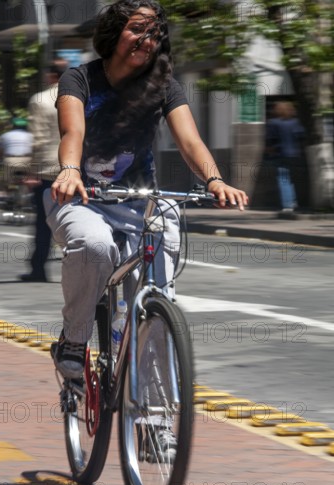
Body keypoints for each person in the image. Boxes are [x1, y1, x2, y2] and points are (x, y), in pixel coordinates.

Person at [44, 0, 248, 380]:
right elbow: (73, 131)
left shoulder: (164, 86)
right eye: (137, 29)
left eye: (154, 33)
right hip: (81, 197)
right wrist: (70, 170)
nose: (147, 39)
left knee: (155, 300)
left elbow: (190, 141)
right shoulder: (80, 79)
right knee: (95, 246)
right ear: (113, 34)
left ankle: (155, 417)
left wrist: (214, 180)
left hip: (139, 203)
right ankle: (74, 339)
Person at [20, 58, 68, 283]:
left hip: (48, 171)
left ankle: (38, 268)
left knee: (43, 222)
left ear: (51, 77)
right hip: (75, 170)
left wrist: (31, 171)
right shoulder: (79, 98)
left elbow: (37, 140)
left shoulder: (40, 100)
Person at [266, 101, 307, 210]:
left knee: (283, 180)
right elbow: (301, 135)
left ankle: (288, 204)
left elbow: (270, 139)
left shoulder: (273, 123)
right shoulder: (295, 122)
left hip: (280, 154)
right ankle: (293, 202)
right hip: (294, 154)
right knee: (291, 179)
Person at [0, 117, 33, 193]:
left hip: (10, 161)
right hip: (27, 160)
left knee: (3, 180)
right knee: (32, 179)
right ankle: (31, 193)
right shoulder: (30, 136)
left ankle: (8, 193)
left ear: (12, 126)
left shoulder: (5, 135)